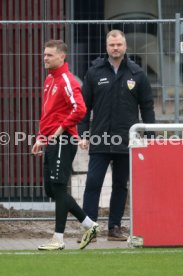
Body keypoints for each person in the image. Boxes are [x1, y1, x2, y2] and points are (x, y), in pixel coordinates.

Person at [78, 30, 155, 241]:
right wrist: (83, 133)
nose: (115, 48)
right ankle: (90, 229)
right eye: (112, 45)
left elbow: (147, 107)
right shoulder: (94, 72)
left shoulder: (137, 73)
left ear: (125, 46)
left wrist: (150, 137)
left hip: (126, 140)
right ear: (106, 47)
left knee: (120, 185)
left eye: (119, 44)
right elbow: (84, 107)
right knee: (93, 183)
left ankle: (114, 228)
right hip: (100, 139)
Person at [32, 39, 100, 250]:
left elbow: (80, 109)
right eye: (44, 55)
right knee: (52, 190)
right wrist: (40, 138)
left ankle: (58, 239)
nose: (45, 58)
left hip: (63, 139)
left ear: (62, 56)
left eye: (49, 55)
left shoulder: (67, 80)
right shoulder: (50, 80)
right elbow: (48, 114)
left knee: (59, 187)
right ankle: (89, 225)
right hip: (51, 139)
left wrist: (61, 129)